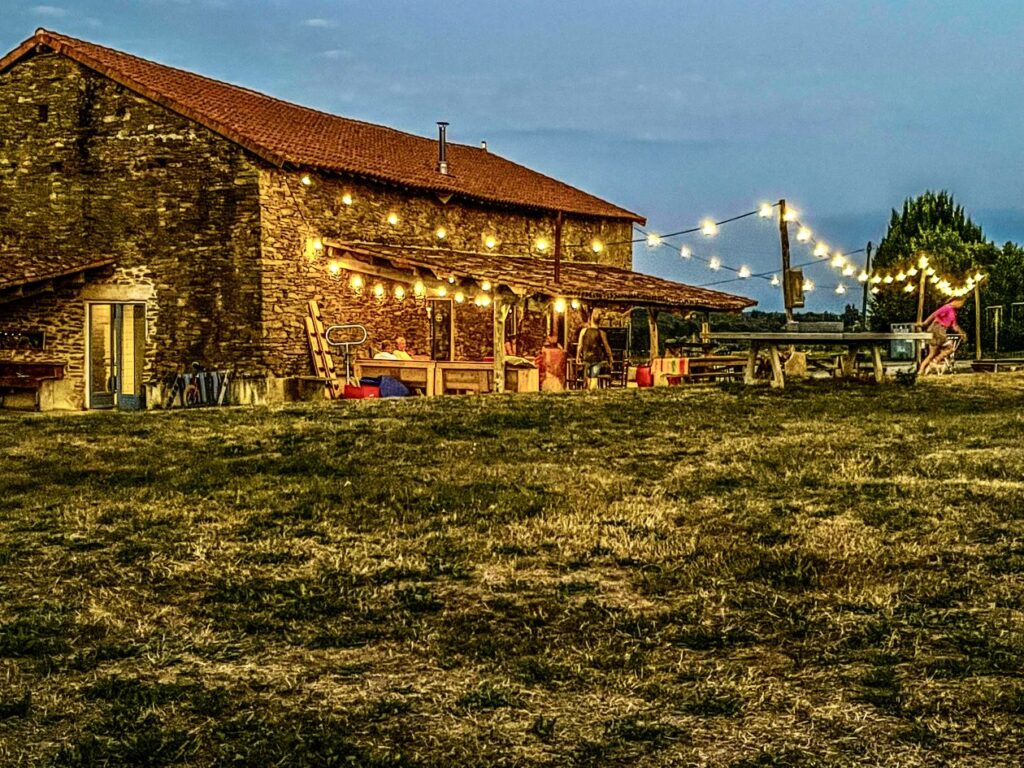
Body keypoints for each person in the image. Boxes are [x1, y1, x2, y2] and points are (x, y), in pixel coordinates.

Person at [917, 297, 966, 375]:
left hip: (942, 330)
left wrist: (962, 333)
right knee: (950, 348)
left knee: (932, 353)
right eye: (961, 303)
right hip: (937, 329)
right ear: (956, 301)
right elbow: (934, 314)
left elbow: (954, 325)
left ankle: (921, 370)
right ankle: (935, 361)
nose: (961, 305)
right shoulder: (947, 307)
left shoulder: (953, 312)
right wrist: (925, 323)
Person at [576, 309, 613, 389]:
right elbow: (607, 347)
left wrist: (577, 357)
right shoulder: (601, 333)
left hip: (586, 359)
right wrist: (610, 358)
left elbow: (580, 345)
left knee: (587, 379)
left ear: (591, 318)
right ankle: (592, 394)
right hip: (597, 359)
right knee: (594, 377)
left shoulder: (584, 331)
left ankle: (588, 394)